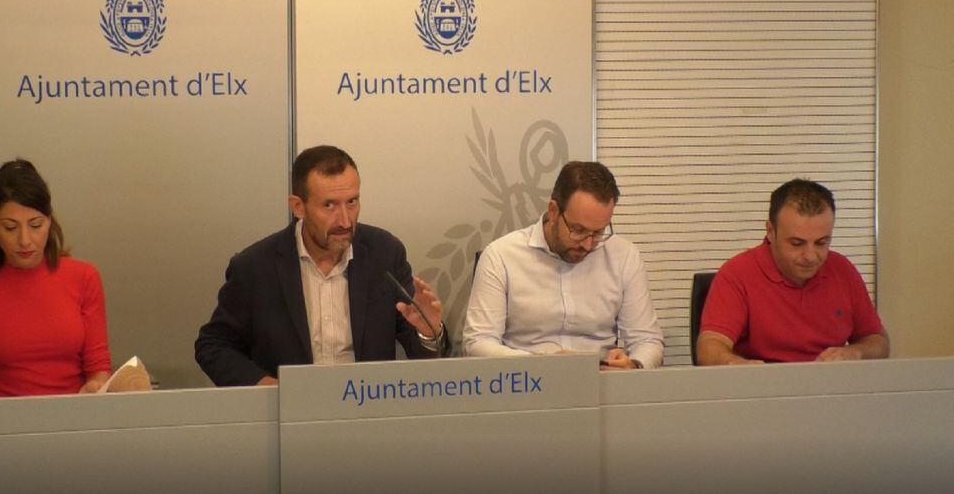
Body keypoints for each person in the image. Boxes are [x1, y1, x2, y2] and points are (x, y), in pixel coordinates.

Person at [195, 145, 449, 386]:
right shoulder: (256, 266)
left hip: (368, 404)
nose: (345, 221)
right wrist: (266, 386)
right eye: (329, 205)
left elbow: (425, 356)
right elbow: (214, 345)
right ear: (298, 207)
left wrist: (427, 332)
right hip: (292, 409)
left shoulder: (384, 254)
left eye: (352, 202)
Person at [463, 161, 664, 369]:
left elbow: (647, 340)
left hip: (601, 380)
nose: (588, 244)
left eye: (598, 232)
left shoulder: (624, 256)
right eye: (578, 230)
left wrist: (634, 365)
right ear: (553, 211)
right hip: (527, 380)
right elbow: (478, 342)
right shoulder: (501, 256)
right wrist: (543, 365)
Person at [0, 159, 112, 398]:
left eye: (35, 225)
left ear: (49, 221)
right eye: (10, 227)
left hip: (73, 413)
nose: (25, 240)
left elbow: (98, 369)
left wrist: (96, 386)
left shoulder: (84, 277)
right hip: (3, 416)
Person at [697, 178, 889, 365]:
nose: (810, 257)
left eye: (821, 243)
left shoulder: (843, 270)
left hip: (829, 382)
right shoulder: (737, 274)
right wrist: (734, 363)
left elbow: (878, 341)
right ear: (771, 231)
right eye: (797, 243)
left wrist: (856, 352)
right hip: (762, 381)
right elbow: (710, 345)